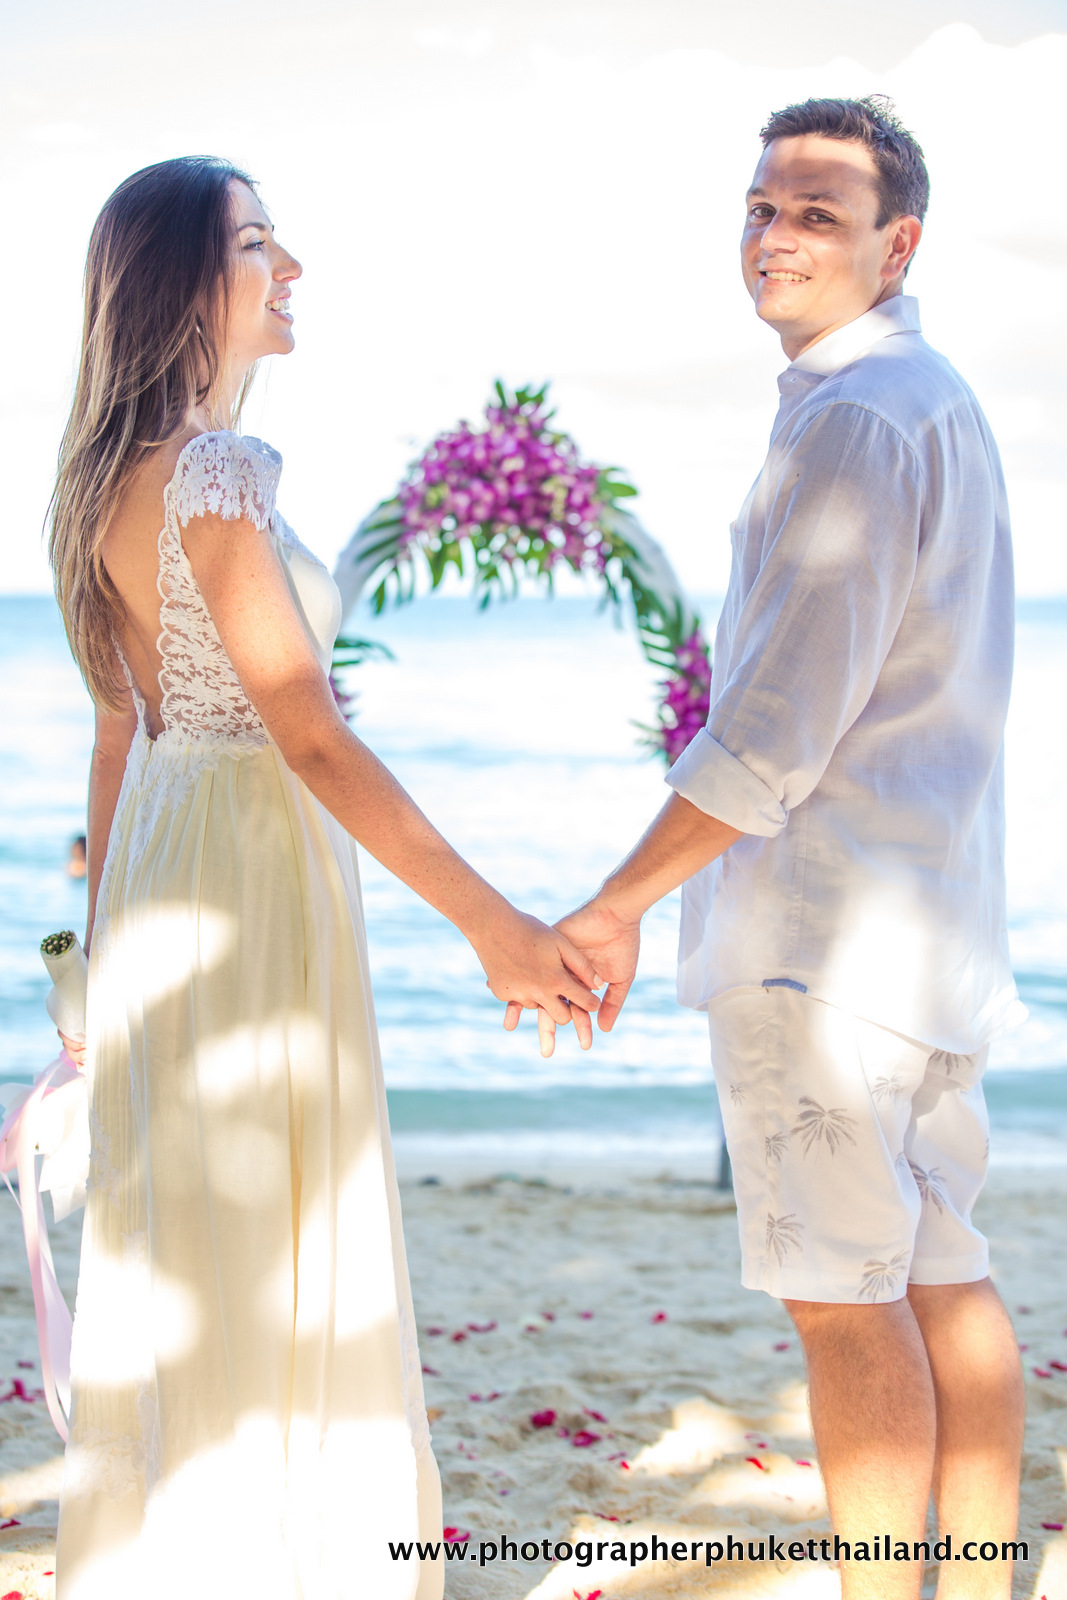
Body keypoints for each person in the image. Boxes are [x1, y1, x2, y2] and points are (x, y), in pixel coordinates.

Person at [47, 156, 600, 1600]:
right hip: (246, 869)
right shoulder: (220, 472)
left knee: (201, 1235)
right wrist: (497, 925)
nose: (290, 268)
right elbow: (307, 730)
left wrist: (98, 967)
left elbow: (119, 735)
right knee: (278, 1229)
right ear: (180, 281)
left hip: (169, 866)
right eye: (256, 243)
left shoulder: (103, 476)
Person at [517, 98, 1025, 1599]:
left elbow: (771, 737)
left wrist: (610, 911)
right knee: (943, 1276)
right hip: (923, 929)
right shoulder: (919, 396)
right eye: (759, 206)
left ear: (898, 242)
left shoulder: (861, 418)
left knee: (843, 1307)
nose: (774, 235)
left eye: (815, 210)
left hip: (826, 943)